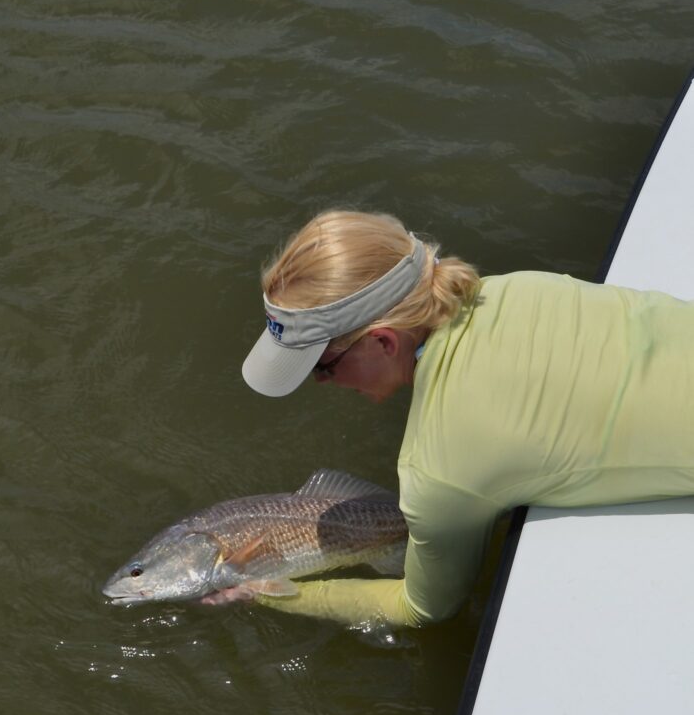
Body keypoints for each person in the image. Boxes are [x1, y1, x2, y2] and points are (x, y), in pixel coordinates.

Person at [214, 208, 694, 626]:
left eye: (323, 366)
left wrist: (263, 594)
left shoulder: (437, 472)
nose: (321, 384)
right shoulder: (520, 288)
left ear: (383, 341)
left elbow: (421, 609)